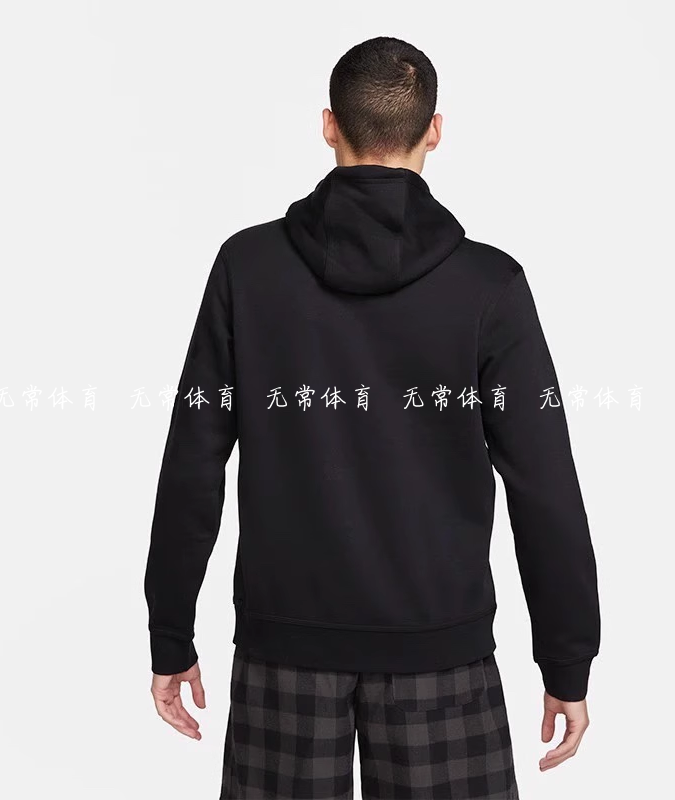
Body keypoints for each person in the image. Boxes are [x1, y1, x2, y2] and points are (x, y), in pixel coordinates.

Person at [144, 35, 600, 800]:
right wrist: (567, 662)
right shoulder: (488, 286)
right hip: (441, 653)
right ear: (435, 131)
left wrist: (170, 634)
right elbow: (545, 487)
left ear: (329, 125)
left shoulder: (248, 269)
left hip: (284, 646)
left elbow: (193, 459)